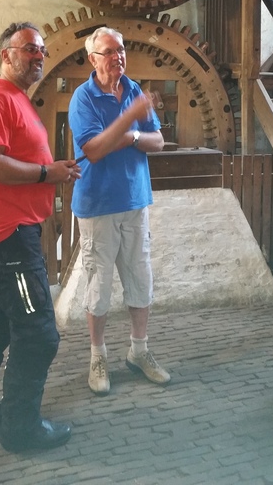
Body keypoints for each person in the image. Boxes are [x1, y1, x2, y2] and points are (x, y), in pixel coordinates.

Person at [0, 21, 81, 453]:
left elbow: (16, 159)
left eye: (42, 50)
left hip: (5, 230)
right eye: (29, 48)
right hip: (6, 235)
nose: (38, 56)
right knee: (37, 333)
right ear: (5, 55)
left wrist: (53, 170)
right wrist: (47, 173)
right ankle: (21, 429)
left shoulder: (17, 99)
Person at [68, 26, 170, 396]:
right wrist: (130, 126)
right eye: (109, 52)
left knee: (140, 279)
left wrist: (133, 136)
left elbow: (158, 141)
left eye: (121, 49)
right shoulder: (83, 98)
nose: (118, 57)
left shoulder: (133, 89)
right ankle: (98, 357)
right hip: (98, 206)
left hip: (135, 201)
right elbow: (94, 149)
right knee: (99, 285)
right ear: (92, 59)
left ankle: (138, 351)